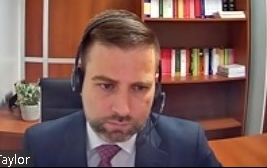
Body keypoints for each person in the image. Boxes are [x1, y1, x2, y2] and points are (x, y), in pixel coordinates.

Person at [22, 9, 222, 167]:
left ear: (157, 90)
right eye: (106, 86)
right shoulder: (38, 144)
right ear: (79, 81)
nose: (122, 110)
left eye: (139, 88)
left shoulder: (189, 145)